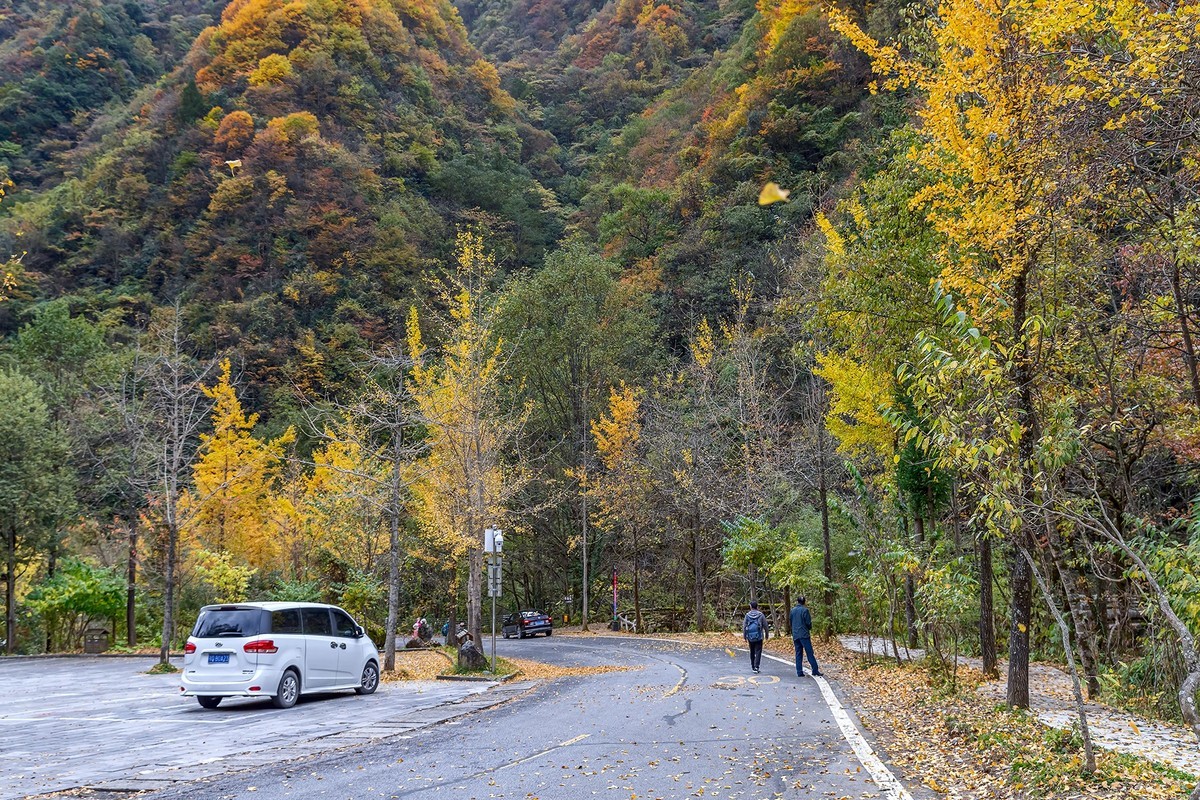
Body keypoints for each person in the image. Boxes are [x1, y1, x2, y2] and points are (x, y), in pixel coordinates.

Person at [790, 596, 822, 677]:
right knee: (809, 653)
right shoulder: (805, 610)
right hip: (804, 634)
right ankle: (815, 670)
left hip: (795, 634)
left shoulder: (792, 611)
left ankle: (799, 671)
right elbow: (808, 623)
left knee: (798, 653)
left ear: (797, 601)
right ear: (804, 602)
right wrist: (809, 627)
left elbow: (790, 621)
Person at [743, 601, 768, 673]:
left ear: (750, 606)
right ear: (757, 607)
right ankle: (757, 666)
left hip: (750, 637)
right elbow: (765, 625)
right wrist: (766, 634)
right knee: (758, 651)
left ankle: (752, 666)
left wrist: (744, 636)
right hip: (759, 636)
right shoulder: (761, 615)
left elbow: (744, 626)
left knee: (752, 651)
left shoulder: (747, 615)